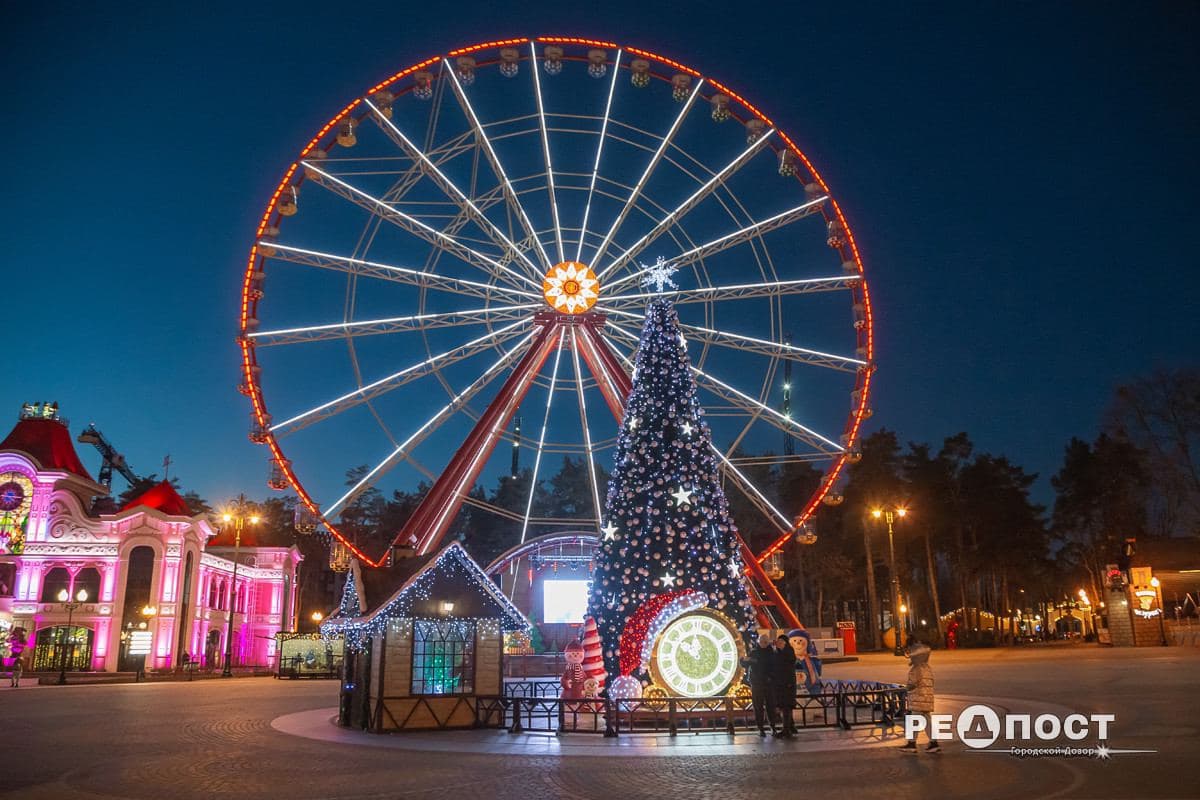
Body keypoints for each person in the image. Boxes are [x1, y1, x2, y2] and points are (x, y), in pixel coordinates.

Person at [900, 641, 939, 753]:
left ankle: (912, 744)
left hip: (918, 698)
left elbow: (912, 684)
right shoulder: (927, 668)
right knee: (926, 721)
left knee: (913, 721)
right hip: (926, 698)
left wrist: (906, 688)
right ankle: (933, 742)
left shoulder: (916, 669)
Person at [741, 633, 778, 737]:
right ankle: (761, 728)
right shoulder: (753, 652)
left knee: (771, 706)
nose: (763, 644)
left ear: (768, 642)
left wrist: (771, 677)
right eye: (761, 642)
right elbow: (746, 664)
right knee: (758, 706)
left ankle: (773, 726)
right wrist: (742, 661)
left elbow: (775, 667)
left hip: (768, 683)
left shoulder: (772, 652)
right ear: (758, 642)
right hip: (757, 683)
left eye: (765, 642)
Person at [771, 635, 798, 737]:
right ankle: (791, 727)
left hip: (787, 684)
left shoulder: (789, 651)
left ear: (786, 643)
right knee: (784, 706)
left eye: (781, 642)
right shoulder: (777, 652)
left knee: (786, 706)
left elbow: (788, 662)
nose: (779, 643)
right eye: (778, 641)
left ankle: (786, 730)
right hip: (781, 683)